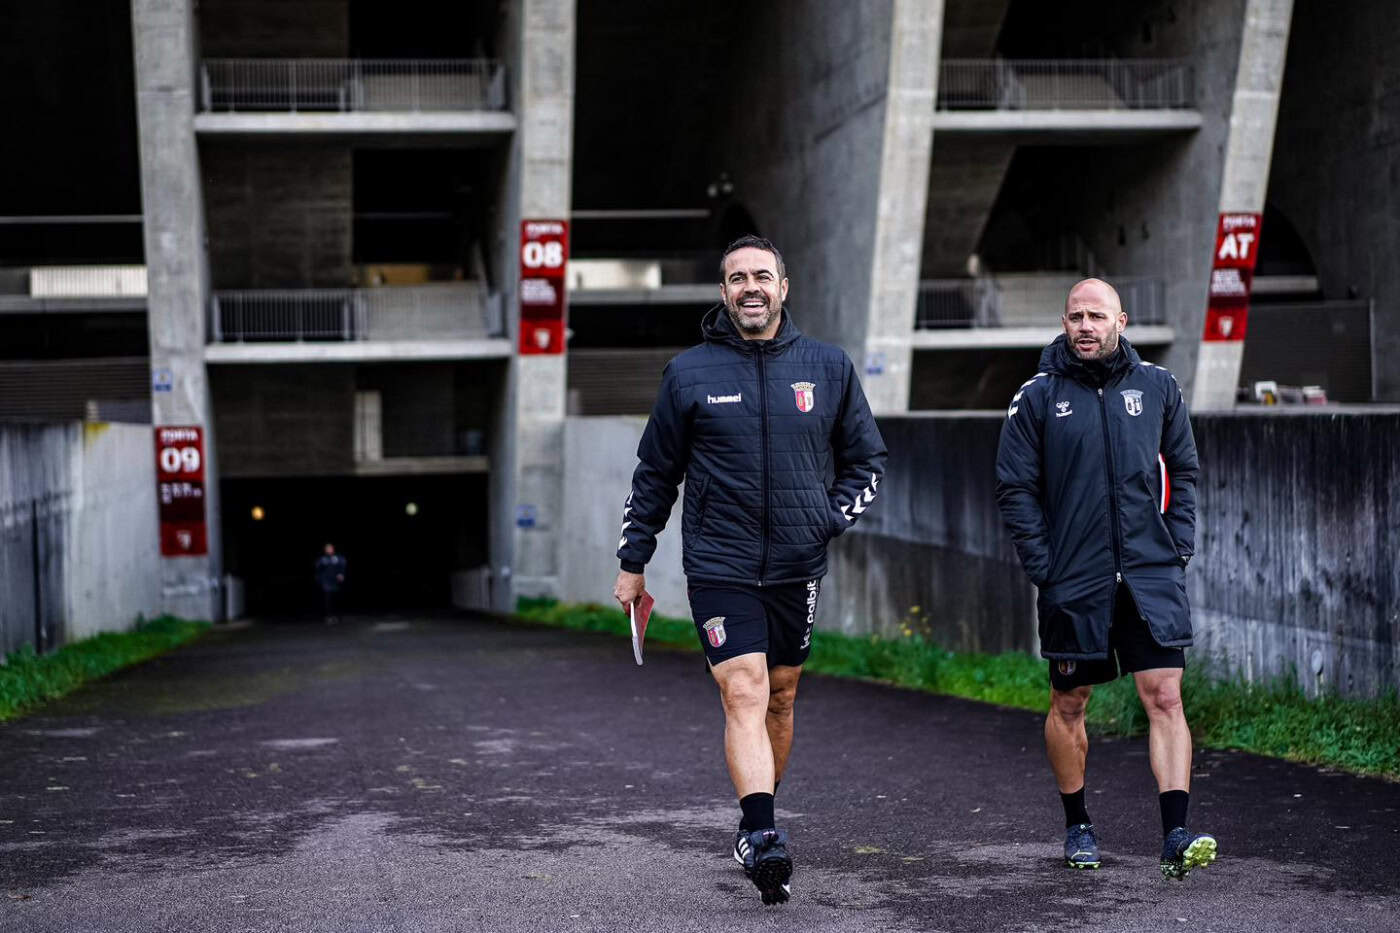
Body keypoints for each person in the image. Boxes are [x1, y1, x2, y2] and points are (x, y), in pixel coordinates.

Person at [613, 235, 887, 904]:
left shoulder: (827, 367)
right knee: (744, 689)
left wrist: (828, 518)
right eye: (737, 278)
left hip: (798, 564)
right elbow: (656, 472)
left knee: (783, 695)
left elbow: (868, 463)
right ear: (724, 292)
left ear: (784, 287)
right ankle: (765, 836)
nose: (750, 287)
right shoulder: (689, 373)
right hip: (720, 563)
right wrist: (633, 560)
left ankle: (750, 818)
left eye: (762, 274)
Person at [995, 278, 1216, 880]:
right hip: (1076, 580)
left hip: (1151, 572)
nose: (1085, 326)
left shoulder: (1158, 387)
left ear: (1122, 320)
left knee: (1165, 696)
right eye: (1075, 316)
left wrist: (1178, 546)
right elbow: (1015, 489)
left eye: (1096, 315)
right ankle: (1078, 825)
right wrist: (1046, 568)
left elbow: (1184, 471)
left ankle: (1175, 834)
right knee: (1070, 702)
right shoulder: (1037, 397)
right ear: (1063, 324)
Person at [315, 543, 347, 625]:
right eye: (327, 549)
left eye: (330, 548)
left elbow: (342, 565)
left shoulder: (337, 558)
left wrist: (341, 574)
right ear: (325, 550)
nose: (329, 550)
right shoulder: (323, 559)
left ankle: (335, 616)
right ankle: (328, 616)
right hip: (326, 581)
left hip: (335, 581)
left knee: (335, 599)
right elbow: (318, 568)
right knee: (328, 599)